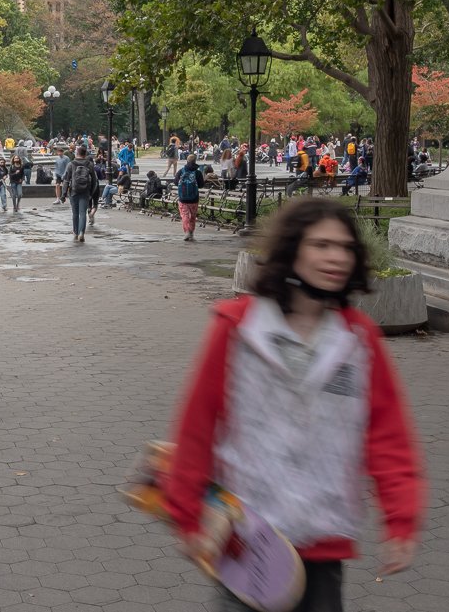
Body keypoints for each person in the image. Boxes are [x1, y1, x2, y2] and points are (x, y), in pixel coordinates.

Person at [161, 199, 425, 611]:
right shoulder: (237, 328)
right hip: (247, 540)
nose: (336, 256)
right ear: (292, 250)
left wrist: (401, 518)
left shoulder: (359, 341)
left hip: (323, 540)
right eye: (321, 245)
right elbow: (197, 425)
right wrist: (186, 511)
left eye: (345, 247)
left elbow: (387, 436)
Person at [67, 146, 99, 242]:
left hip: (74, 191)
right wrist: (91, 193)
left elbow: (66, 180)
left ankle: (75, 232)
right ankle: (82, 233)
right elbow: (94, 181)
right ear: (85, 154)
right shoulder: (89, 164)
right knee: (82, 213)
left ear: (77, 153)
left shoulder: (71, 164)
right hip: (85, 192)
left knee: (75, 213)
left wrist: (63, 194)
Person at [176, 153, 207, 242]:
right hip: (194, 198)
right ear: (195, 161)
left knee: (185, 215)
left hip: (183, 198)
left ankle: (187, 232)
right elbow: (201, 185)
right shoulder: (197, 172)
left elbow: (175, 181)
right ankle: (191, 233)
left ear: (187, 161)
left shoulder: (181, 171)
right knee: (192, 216)